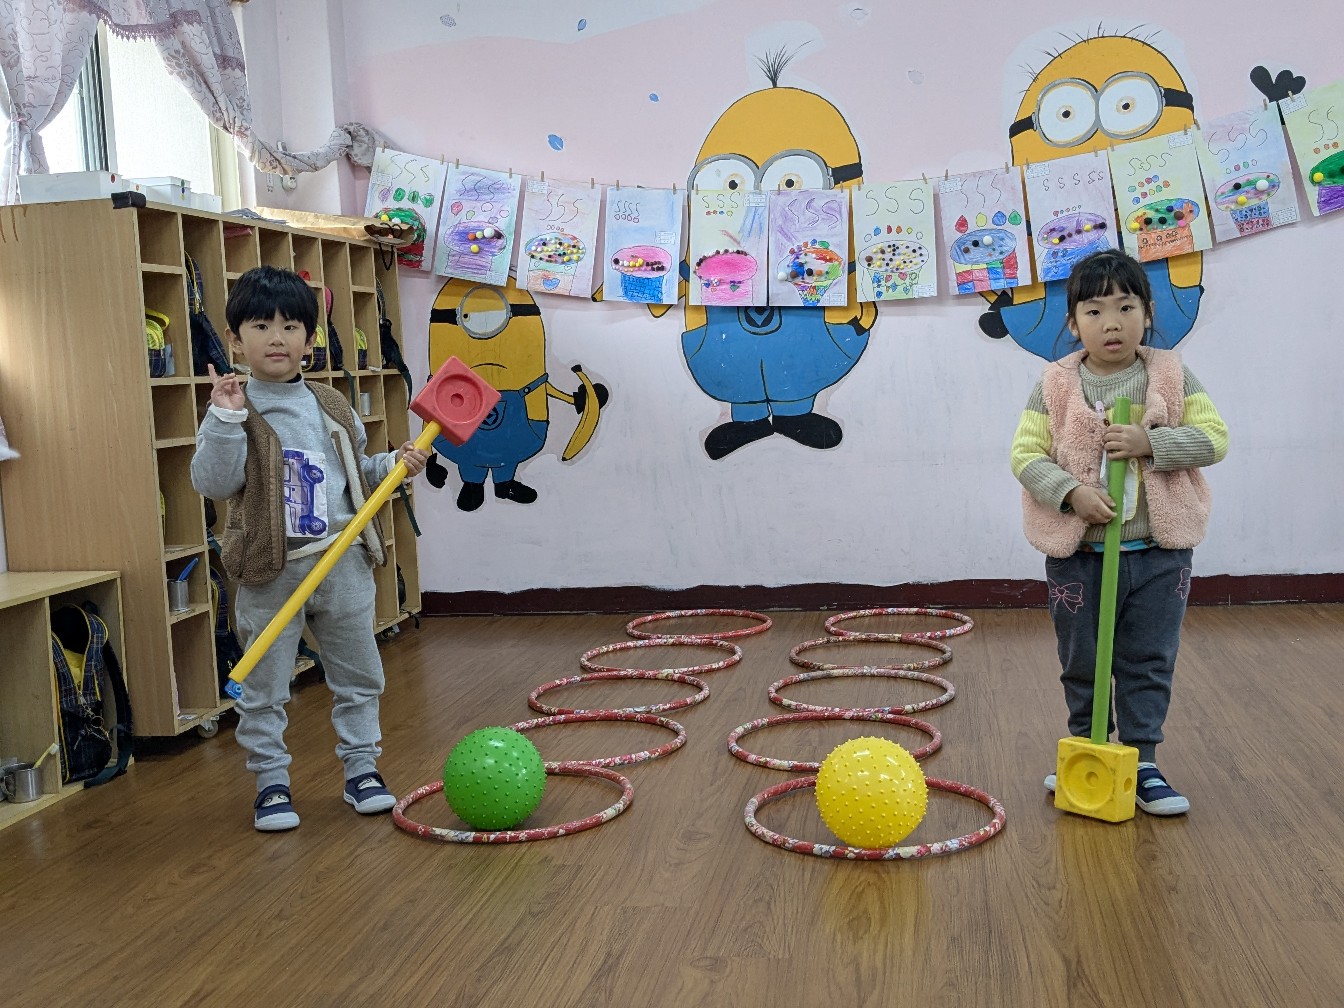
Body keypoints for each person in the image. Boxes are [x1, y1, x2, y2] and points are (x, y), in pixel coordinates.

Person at [191, 266, 428, 832]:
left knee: (359, 674)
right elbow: (213, 482)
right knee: (264, 684)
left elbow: (355, 473)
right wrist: (224, 419)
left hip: (342, 563)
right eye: (260, 326)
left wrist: (393, 465)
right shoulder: (233, 407)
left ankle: (362, 770)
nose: (277, 338)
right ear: (235, 341)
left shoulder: (331, 404)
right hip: (271, 571)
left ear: (310, 338)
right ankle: (271, 783)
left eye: (291, 326)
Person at [1009, 248, 1228, 815]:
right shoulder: (1056, 384)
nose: (1112, 323)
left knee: (1148, 657)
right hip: (1079, 557)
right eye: (1095, 310)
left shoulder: (1171, 375)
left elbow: (1214, 439)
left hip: (1158, 557)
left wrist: (1153, 442)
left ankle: (1142, 760)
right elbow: (1025, 455)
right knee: (1082, 658)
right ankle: (1087, 750)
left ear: (1148, 313)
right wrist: (1071, 493)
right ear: (1072, 323)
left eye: (1126, 307)